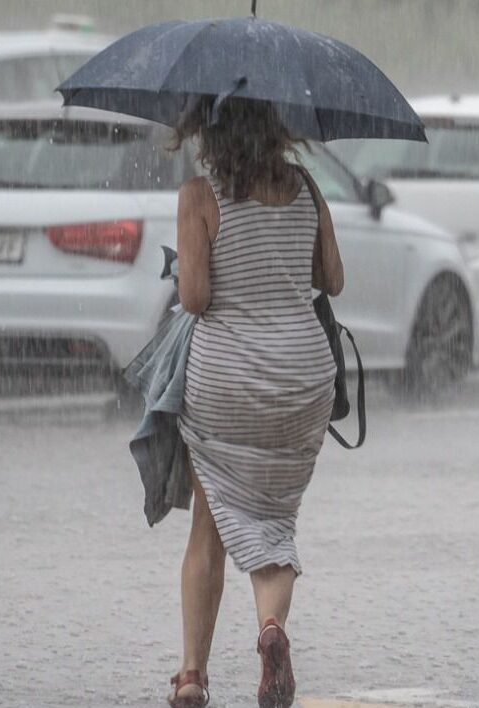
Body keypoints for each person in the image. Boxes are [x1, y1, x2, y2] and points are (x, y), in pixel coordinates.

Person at [166, 96, 343, 708]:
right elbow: (334, 280)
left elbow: (194, 297)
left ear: (207, 134)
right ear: (276, 130)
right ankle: (271, 630)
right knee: (273, 519)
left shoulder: (198, 196)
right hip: (300, 382)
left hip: (226, 383)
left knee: (208, 529)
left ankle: (191, 674)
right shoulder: (307, 189)